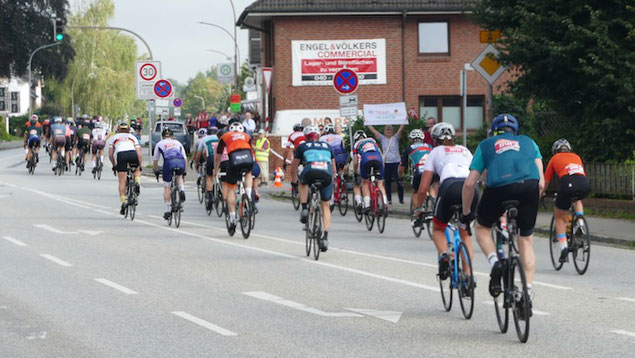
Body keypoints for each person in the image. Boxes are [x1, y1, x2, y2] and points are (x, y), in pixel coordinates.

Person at [461, 114, 544, 318]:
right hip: (530, 187)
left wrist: (466, 213)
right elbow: (541, 182)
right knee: (525, 239)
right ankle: (528, 292)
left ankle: (495, 262)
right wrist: (531, 200)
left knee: (482, 228)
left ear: (494, 131)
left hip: (499, 188)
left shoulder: (487, 144)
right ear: (515, 131)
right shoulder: (529, 142)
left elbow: (470, 183)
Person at [417, 123, 477, 280]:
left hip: (450, 186)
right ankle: (468, 277)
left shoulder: (435, 152)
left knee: (438, 228)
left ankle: (444, 255)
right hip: (471, 188)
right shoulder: (465, 151)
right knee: (465, 233)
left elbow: (423, 188)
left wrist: (418, 209)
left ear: (435, 140)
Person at [542, 138, 591, 262]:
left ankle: (563, 247)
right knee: (577, 199)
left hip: (567, 184)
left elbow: (546, 180)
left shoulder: (554, 159)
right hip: (584, 183)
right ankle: (580, 221)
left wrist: (541, 193)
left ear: (555, 151)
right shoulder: (576, 156)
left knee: (559, 216)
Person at [291, 125, 336, 252]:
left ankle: (305, 208)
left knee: (302, 182)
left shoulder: (302, 146)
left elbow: (293, 169)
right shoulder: (328, 146)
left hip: (310, 171)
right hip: (326, 173)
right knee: (325, 205)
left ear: (305, 136)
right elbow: (333, 169)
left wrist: (294, 183)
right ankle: (325, 237)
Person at [214, 122, 255, 230]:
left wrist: (216, 169)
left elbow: (218, 156)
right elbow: (251, 150)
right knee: (248, 172)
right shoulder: (246, 136)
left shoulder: (225, 136)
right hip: (247, 157)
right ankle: (248, 194)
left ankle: (232, 218)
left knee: (231, 188)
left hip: (234, 159)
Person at [107, 123, 143, 215]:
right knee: (136, 170)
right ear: (128, 130)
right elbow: (139, 153)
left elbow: (110, 155)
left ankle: (123, 201)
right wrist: (140, 165)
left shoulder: (114, 138)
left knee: (122, 181)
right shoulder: (132, 137)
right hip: (132, 153)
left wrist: (114, 165)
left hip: (121, 155)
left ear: (119, 129)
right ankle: (137, 182)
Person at [153, 128, 187, 220]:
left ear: (162, 136)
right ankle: (181, 190)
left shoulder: (159, 144)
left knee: (167, 187)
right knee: (179, 177)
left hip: (168, 162)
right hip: (180, 161)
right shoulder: (178, 143)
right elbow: (185, 158)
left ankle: (167, 210)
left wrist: (156, 170)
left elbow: (155, 159)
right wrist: (185, 171)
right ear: (172, 136)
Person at [368, 124, 405, 205]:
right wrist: (367, 123)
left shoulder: (395, 138)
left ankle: (401, 199)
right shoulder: (382, 138)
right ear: (384, 131)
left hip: (396, 162)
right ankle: (389, 199)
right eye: (387, 130)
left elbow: (400, 129)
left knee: (399, 181)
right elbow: (374, 131)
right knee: (387, 182)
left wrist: (404, 121)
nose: (389, 131)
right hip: (386, 163)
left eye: (390, 129)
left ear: (393, 131)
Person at [398, 129, 433, 214]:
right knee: (431, 187)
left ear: (411, 139)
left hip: (419, 170)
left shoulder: (409, 149)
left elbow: (402, 167)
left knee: (416, 191)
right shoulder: (430, 146)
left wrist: (400, 176)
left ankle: (417, 213)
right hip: (431, 170)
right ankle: (434, 203)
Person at [352, 130, 387, 212]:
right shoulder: (372, 141)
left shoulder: (356, 145)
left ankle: (367, 205)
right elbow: (381, 155)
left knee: (365, 183)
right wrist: (383, 167)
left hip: (366, 160)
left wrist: (355, 172)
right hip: (378, 160)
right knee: (380, 183)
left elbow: (356, 162)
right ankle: (385, 204)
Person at [198, 126, 220, 209]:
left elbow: (200, 152)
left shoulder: (205, 139)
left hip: (210, 157)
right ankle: (219, 186)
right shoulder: (219, 137)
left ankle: (210, 195)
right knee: (219, 173)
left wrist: (199, 161)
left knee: (209, 177)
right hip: (221, 158)